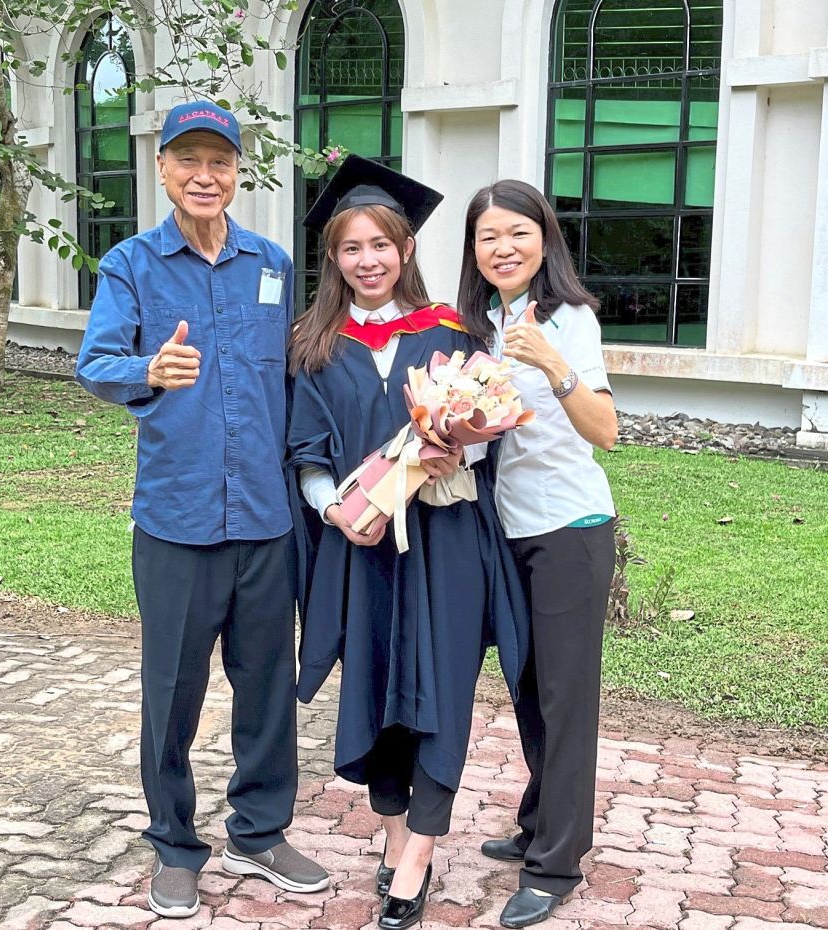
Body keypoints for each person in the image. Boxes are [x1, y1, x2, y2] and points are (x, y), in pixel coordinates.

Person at [74, 101, 329, 920]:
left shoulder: (273, 262)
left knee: (267, 687)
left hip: (265, 517)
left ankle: (259, 830)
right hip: (177, 521)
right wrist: (150, 366)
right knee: (173, 691)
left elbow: (293, 375)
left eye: (219, 161)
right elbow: (96, 364)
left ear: (238, 170)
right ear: (163, 170)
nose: (205, 176)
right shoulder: (132, 265)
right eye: (188, 160)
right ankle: (175, 844)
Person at [288, 156, 529, 930]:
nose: (368, 261)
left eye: (381, 245)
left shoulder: (453, 332)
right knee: (374, 688)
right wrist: (334, 511)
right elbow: (307, 455)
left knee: (442, 691)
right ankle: (393, 833)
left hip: (446, 541)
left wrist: (457, 447)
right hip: (363, 548)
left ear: (405, 249)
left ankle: (418, 856)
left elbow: (490, 433)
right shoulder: (314, 346)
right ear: (334, 260)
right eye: (351, 249)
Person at [454, 179, 619, 930]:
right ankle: (536, 818)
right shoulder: (481, 323)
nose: (503, 248)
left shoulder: (568, 319)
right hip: (505, 529)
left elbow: (605, 431)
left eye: (517, 232)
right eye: (489, 237)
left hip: (567, 529)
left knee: (565, 695)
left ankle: (555, 864)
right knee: (526, 685)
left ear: (544, 238)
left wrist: (555, 363)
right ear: (475, 250)